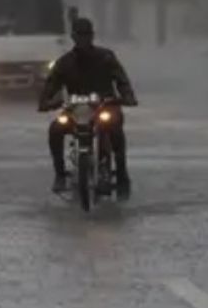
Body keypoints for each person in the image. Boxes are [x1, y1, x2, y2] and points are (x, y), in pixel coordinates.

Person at [38, 17, 138, 197]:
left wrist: (127, 97)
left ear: (92, 36)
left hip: (105, 107)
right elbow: (51, 85)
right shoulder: (64, 62)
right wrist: (46, 101)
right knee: (55, 129)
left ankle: (122, 175)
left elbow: (121, 80)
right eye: (80, 35)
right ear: (73, 37)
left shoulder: (106, 57)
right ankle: (60, 174)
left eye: (87, 35)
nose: (83, 39)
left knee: (115, 129)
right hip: (75, 111)